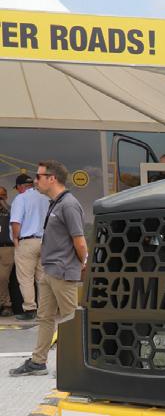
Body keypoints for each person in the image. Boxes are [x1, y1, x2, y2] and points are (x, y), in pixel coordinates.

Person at [10, 161, 88, 377]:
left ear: (52, 178)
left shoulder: (68, 205)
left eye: (39, 176)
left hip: (63, 271)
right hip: (49, 270)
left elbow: (80, 241)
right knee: (45, 318)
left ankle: (77, 365)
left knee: (71, 319)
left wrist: (83, 264)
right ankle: (38, 362)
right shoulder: (55, 203)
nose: (35, 181)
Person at [10, 172, 49, 320]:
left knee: (26, 278)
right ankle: (44, 310)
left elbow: (16, 221)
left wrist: (15, 239)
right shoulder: (45, 197)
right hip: (45, 241)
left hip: (27, 241)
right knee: (42, 278)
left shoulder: (21, 198)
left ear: (20, 187)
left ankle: (30, 309)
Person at [0, 186, 14, 316]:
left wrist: (3, 204)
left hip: (7, 248)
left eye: (2, 196)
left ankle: (6, 305)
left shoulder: (11, 209)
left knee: (3, 277)